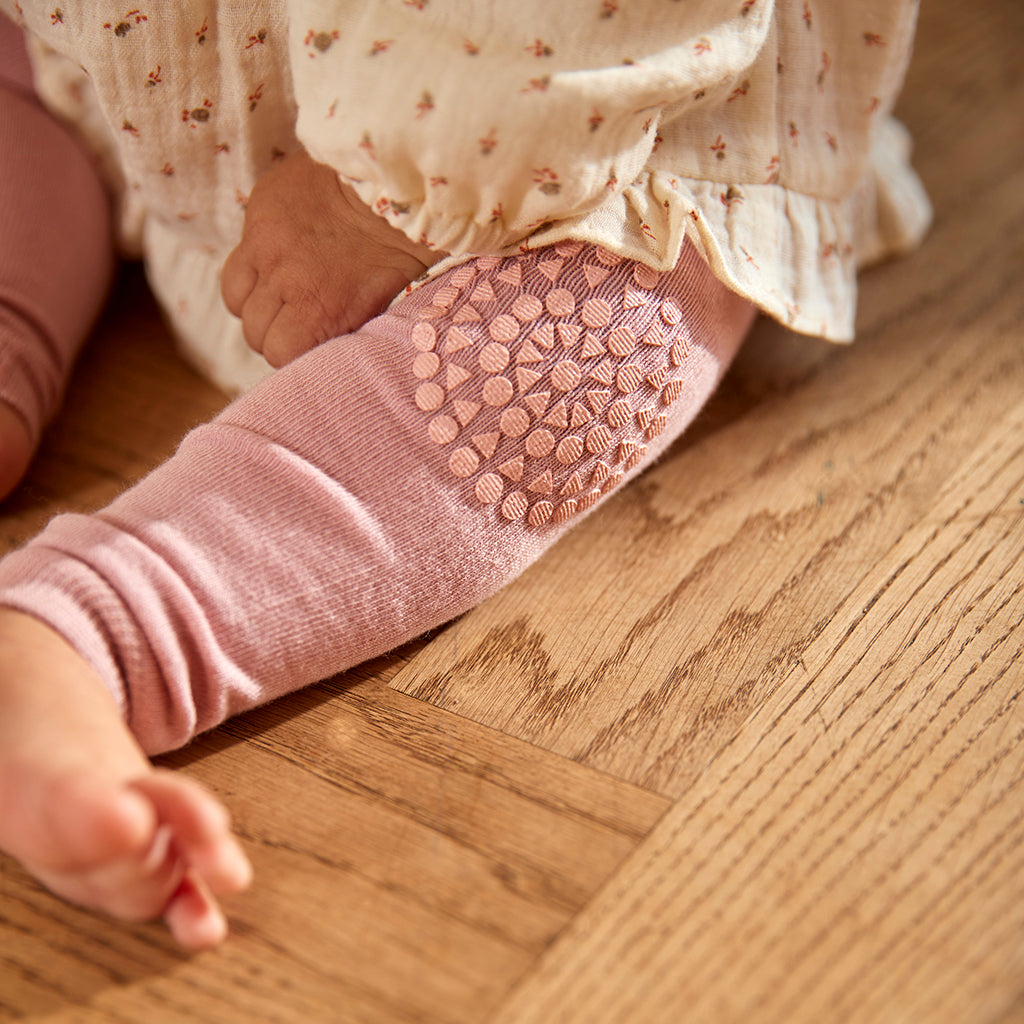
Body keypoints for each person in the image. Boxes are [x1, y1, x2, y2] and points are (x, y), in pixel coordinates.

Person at [0, 2, 931, 949]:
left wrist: (382, 199)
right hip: (132, 65)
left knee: (570, 361)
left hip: (544, 131)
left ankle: (93, 630)